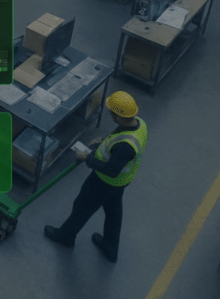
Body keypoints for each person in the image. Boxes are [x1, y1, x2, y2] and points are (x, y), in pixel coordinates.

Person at [44, 91, 148, 263]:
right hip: (121, 183)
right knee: (114, 212)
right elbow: (121, 136)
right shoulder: (140, 124)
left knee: (82, 206)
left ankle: (66, 236)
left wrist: (88, 158)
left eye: (112, 113)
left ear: (119, 116)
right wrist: (105, 141)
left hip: (105, 182)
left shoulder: (125, 147)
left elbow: (111, 170)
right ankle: (111, 247)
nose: (110, 115)